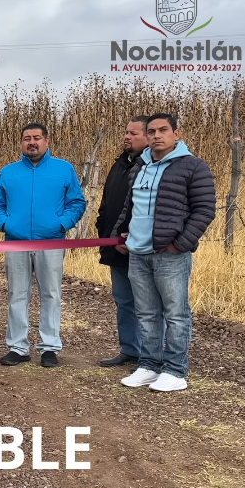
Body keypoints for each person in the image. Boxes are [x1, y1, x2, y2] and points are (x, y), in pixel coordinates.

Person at [113, 113, 216, 393]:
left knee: (175, 313)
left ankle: (175, 370)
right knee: (146, 313)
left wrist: (179, 244)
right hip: (138, 252)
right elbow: (130, 206)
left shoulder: (193, 167)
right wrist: (121, 234)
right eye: (152, 131)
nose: (157, 135)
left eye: (163, 130)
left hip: (170, 254)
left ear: (176, 133)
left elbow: (205, 210)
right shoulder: (142, 166)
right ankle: (149, 365)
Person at [0, 122, 86, 368]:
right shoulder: (8, 172)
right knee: (16, 294)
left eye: (36, 138)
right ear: (21, 142)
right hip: (16, 242)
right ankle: (18, 347)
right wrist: (5, 225)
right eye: (26, 138)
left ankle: (49, 347)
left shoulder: (64, 169)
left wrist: (62, 224)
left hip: (51, 241)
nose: (31, 142)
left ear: (47, 141)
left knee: (51, 293)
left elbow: (76, 202)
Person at [95, 116, 150, 368]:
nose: (127, 137)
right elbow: (107, 203)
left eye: (134, 133)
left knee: (149, 303)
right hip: (116, 247)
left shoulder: (153, 167)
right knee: (124, 300)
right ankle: (130, 349)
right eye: (126, 132)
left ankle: (153, 355)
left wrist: (135, 238)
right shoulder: (119, 165)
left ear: (148, 136)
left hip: (144, 248)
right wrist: (104, 232)